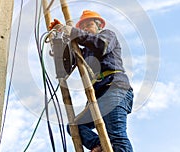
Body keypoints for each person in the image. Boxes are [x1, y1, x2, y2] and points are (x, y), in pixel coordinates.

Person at [50, 10, 134, 152]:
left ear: (99, 26)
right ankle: (100, 145)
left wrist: (74, 32)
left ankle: (111, 146)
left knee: (117, 137)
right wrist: (60, 38)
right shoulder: (84, 52)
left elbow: (101, 46)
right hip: (98, 96)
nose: (85, 29)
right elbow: (66, 66)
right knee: (74, 126)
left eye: (89, 25)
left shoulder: (107, 35)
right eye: (83, 27)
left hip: (114, 88)